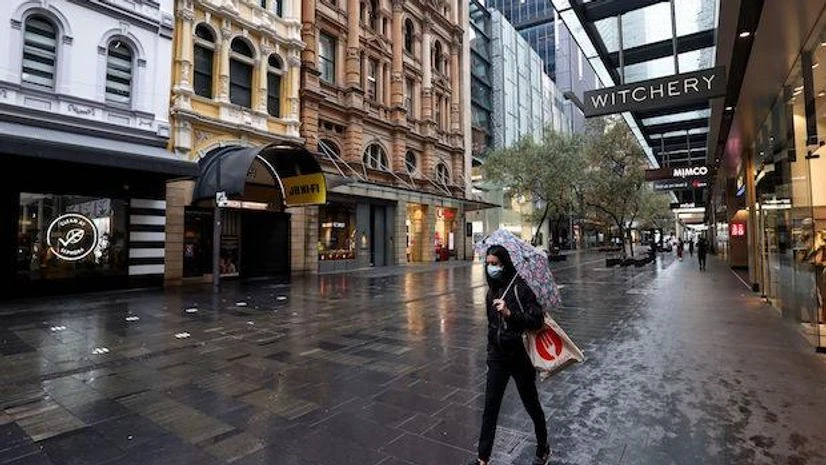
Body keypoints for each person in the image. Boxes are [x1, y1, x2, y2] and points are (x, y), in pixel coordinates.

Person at [467, 245, 550, 465]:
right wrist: (490, 353)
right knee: (490, 408)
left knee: (531, 404)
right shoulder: (491, 292)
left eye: (495, 263)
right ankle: (483, 458)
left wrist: (509, 313)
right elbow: (491, 326)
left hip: (520, 356)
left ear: (505, 264)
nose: (491, 267)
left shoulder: (521, 288)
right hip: (497, 357)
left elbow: (537, 321)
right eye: (488, 263)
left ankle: (543, 446)